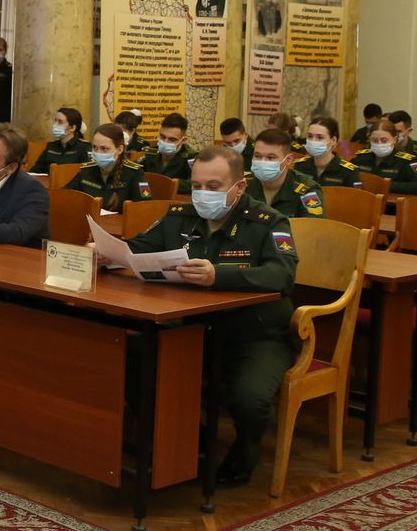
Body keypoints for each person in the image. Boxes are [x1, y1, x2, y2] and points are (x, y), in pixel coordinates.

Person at [124, 145, 299, 487]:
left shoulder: (268, 222)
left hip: (255, 333)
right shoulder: (180, 216)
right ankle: (195, 438)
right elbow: (139, 246)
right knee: (131, 358)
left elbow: (282, 275)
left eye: (214, 186)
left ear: (239, 186)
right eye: (197, 185)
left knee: (249, 398)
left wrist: (219, 275)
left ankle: (244, 454)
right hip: (192, 329)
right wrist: (108, 252)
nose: (203, 194)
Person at [66, 123, 153, 212]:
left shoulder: (134, 173)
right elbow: (65, 195)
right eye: (95, 147)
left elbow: (145, 206)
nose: (98, 153)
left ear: (119, 149)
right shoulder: (86, 170)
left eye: (104, 149)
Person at [243, 128, 326, 218]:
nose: (262, 162)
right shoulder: (243, 185)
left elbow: (313, 224)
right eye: (257, 156)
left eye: (270, 157)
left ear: (288, 160)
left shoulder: (306, 189)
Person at [353, 120, 417, 194]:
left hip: (393, 200)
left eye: (384, 140)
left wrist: (385, 185)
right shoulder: (361, 157)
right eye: (375, 140)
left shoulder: (409, 161)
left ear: (394, 139)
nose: (379, 144)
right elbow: (348, 176)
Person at [295, 116, 362, 188]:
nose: (313, 141)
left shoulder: (349, 172)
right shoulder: (299, 166)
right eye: (310, 136)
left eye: (320, 137)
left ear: (333, 140)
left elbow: (356, 194)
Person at [139, 111, 193, 193]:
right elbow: (133, 172)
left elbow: (195, 184)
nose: (165, 142)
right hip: (150, 197)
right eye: (162, 137)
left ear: (183, 140)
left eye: (172, 139)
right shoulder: (151, 152)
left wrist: (165, 183)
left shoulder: (191, 157)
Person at [30, 106, 90, 175]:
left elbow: (88, 174)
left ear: (72, 128)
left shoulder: (84, 147)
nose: (55, 125)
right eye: (55, 121)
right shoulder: (51, 146)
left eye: (60, 122)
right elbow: (35, 171)